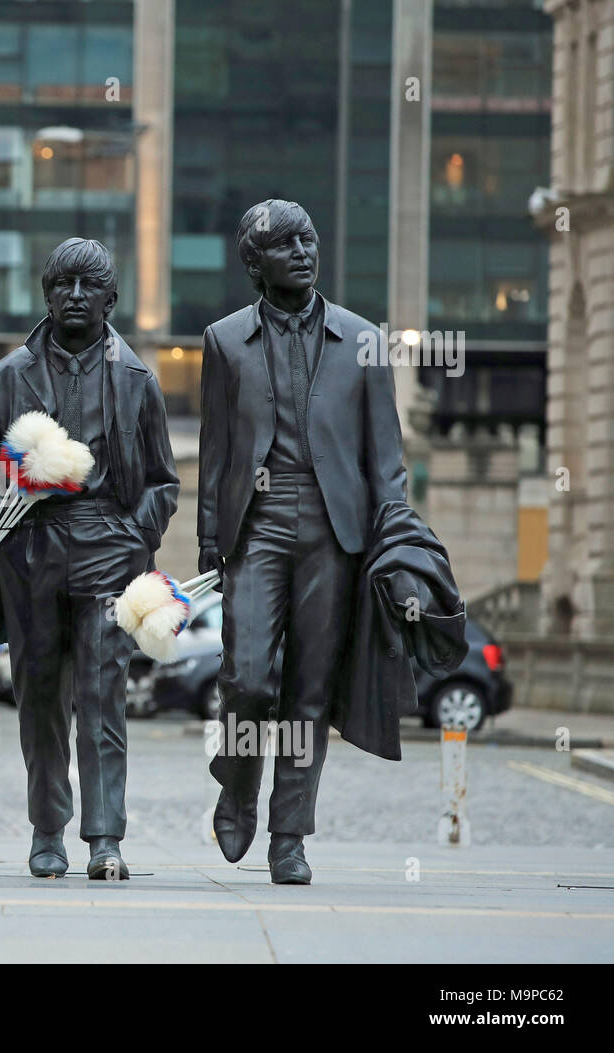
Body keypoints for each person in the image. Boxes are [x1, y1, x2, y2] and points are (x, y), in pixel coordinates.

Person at [196, 199, 406, 884]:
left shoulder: (362, 338)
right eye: (284, 245)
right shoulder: (225, 340)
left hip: (334, 529)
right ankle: (237, 778)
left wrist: (394, 539)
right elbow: (218, 449)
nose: (303, 253)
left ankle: (290, 835)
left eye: (308, 240)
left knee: (309, 690)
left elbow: (387, 460)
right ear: (255, 264)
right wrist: (208, 538)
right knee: (248, 677)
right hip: (255, 523)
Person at [0, 238, 179, 879]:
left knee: (102, 696)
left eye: (90, 286)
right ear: (46, 292)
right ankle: (46, 831)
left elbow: (163, 482)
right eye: (63, 284)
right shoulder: (7, 378)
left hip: (107, 551)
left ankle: (105, 838)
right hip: (32, 548)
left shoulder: (138, 379)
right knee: (38, 700)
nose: (76, 296)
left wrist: (129, 535)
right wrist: (5, 522)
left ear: (112, 300)